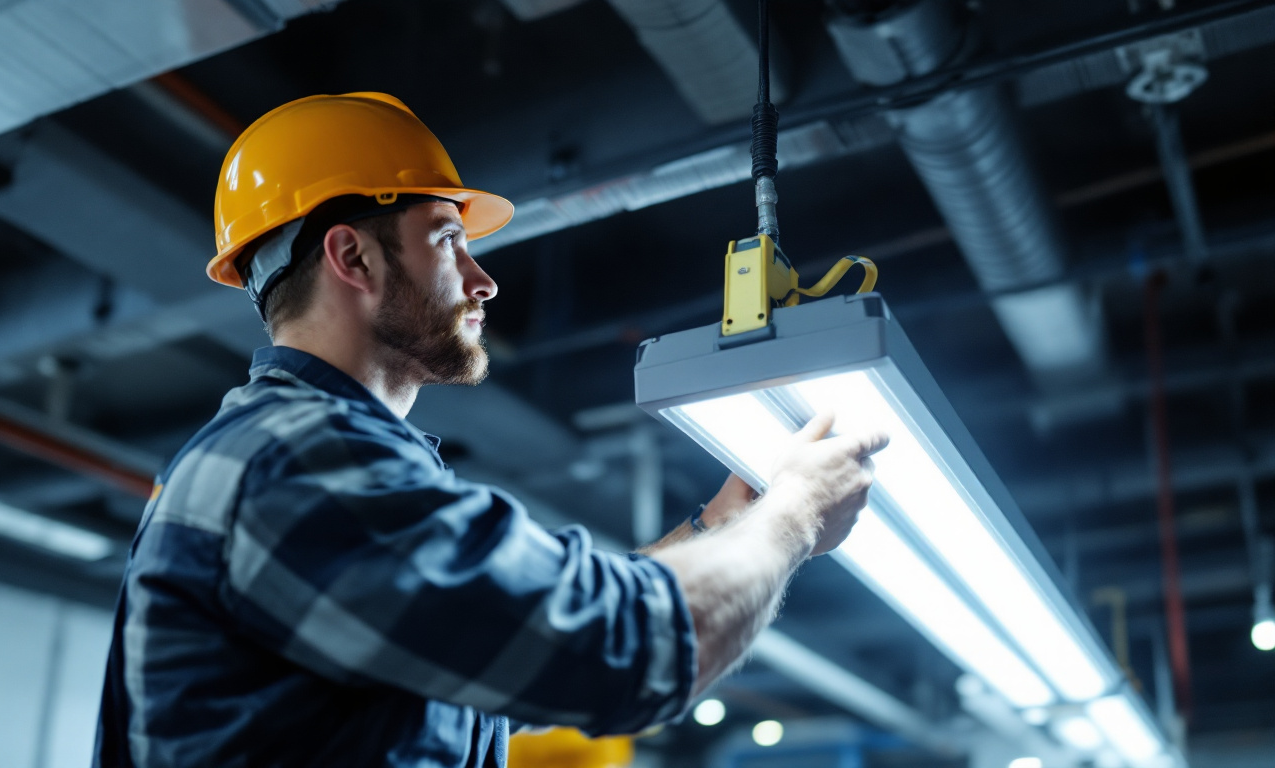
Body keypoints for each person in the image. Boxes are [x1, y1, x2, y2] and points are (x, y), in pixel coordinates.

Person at [93, 93, 887, 768]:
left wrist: (726, 524)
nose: (484, 278)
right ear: (353, 257)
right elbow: (618, 650)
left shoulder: (314, 464)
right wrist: (795, 515)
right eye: (448, 239)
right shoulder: (295, 462)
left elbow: (515, 651)